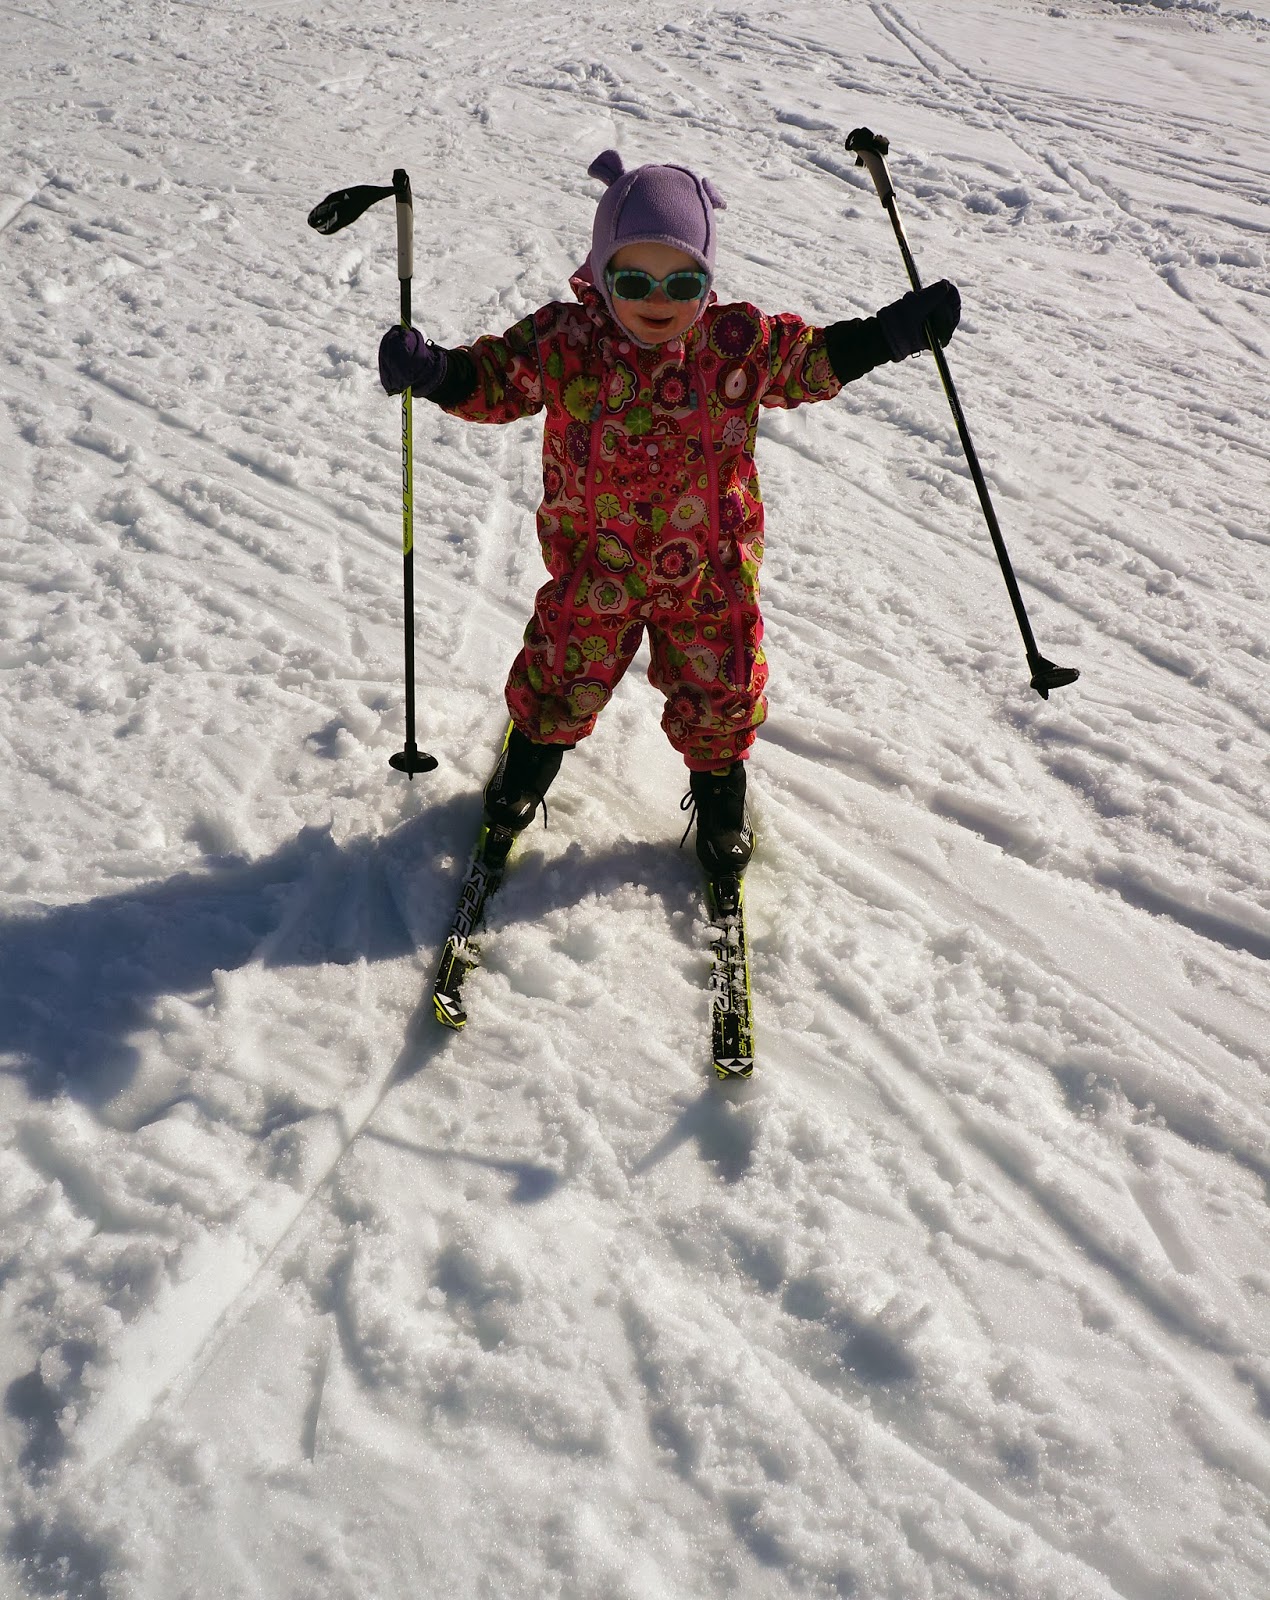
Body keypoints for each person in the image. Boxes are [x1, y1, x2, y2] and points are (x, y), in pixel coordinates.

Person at [378, 149, 959, 876]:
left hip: (707, 574)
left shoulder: (733, 344)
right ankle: (526, 770)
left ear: (707, 282)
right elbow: (494, 379)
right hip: (596, 566)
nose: (660, 299)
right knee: (560, 672)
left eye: (684, 282)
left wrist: (891, 333)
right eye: (634, 280)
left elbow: (812, 359)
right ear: (601, 274)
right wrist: (437, 372)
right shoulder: (565, 343)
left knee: (721, 688)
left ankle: (720, 801)